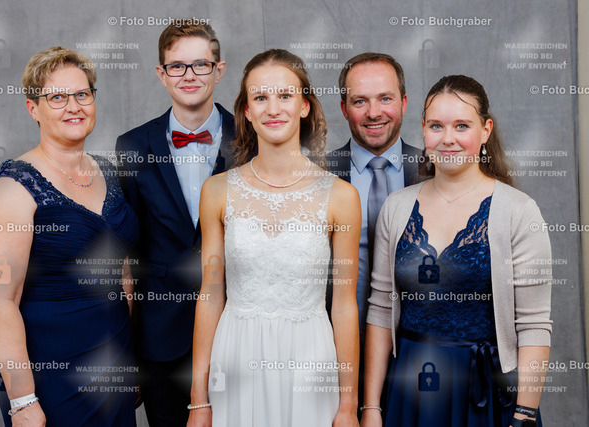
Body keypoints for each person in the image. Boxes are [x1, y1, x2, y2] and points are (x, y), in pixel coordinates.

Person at [362, 75, 552, 427]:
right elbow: (381, 310)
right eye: (437, 126)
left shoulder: (519, 211)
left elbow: (534, 324)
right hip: (409, 390)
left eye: (461, 126)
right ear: (424, 129)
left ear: (485, 130)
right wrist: (371, 407)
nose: (447, 138)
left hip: (487, 393)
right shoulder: (396, 207)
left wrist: (524, 414)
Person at [187, 49, 361, 427]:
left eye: (285, 95)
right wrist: (198, 401)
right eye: (261, 97)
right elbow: (211, 294)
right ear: (247, 111)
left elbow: (345, 306)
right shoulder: (217, 191)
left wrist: (349, 405)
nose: (273, 108)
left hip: (310, 359)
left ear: (304, 106)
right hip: (236, 357)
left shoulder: (341, 196)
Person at [0, 46, 138, 426]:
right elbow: (0, 301)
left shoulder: (108, 171)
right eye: (57, 97)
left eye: (82, 94)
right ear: (33, 108)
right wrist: (22, 401)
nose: (74, 107)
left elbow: (123, 273)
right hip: (50, 374)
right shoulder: (11, 189)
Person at [114, 21, 233, 426]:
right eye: (177, 66)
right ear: (161, 74)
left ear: (219, 70)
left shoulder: (252, 137)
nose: (189, 75)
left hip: (238, 326)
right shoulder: (132, 146)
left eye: (201, 64)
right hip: (161, 337)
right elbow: (129, 257)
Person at [326, 53, 425, 344]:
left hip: (415, 346)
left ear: (403, 103)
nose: (373, 113)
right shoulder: (317, 175)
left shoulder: (435, 172)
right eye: (360, 101)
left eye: (385, 98)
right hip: (334, 343)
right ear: (344, 109)